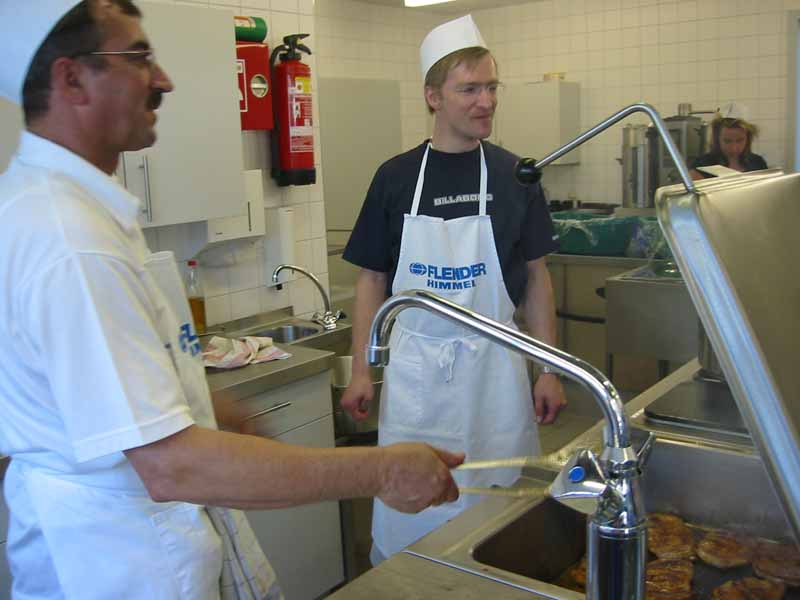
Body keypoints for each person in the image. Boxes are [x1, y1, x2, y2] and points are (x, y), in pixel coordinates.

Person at [0, 2, 463, 598]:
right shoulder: (71, 240)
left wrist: (205, 409)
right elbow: (170, 465)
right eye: (138, 58)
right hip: (116, 565)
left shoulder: (61, 208)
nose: (163, 80)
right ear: (71, 80)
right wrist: (382, 468)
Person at [339, 14, 567, 564]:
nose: (486, 101)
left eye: (492, 87)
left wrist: (549, 368)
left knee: (500, 516)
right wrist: (361, 369)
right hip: (418, 375)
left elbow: (537, 277)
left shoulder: (516, 177)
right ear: (433, 97)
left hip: (496, 374)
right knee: (413, 514)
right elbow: (371, 279)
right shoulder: (395, 178)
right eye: (469, 89)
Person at [690, 102, 768, 180]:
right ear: (717, 139)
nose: (734, 148)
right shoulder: (702, 165)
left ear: (748, 138)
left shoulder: (757, 163)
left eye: (740, 140)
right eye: (727, 141)